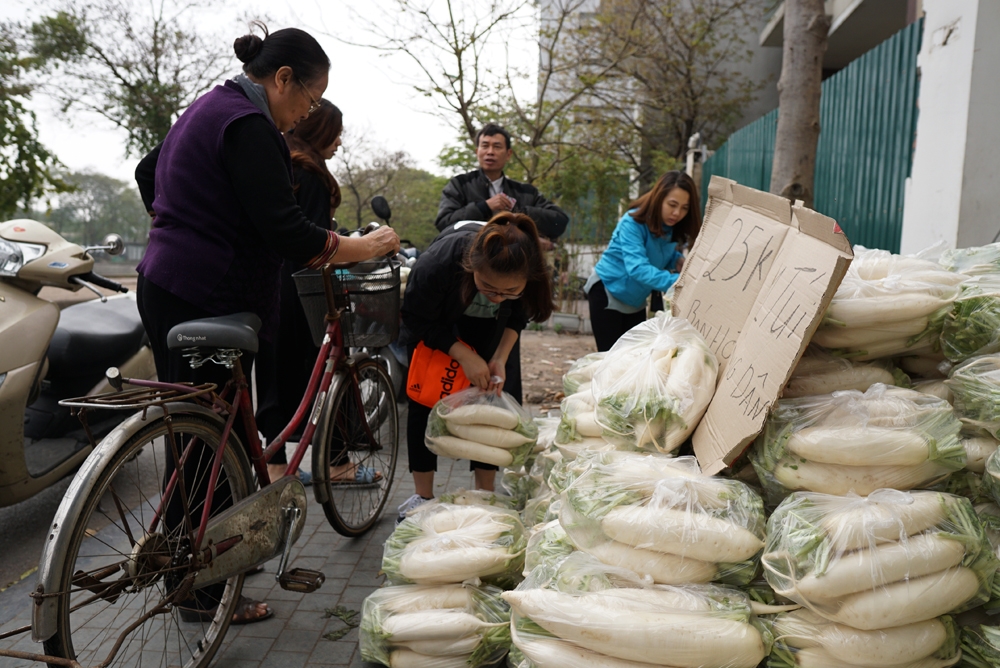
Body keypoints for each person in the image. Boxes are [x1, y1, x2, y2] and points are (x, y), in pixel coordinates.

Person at [133, 24, 399, 624]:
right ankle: (199, 589)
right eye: (308, 98)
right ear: (282, 79)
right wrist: (364, 246)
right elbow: (291, 235)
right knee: (208, 439)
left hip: (170, 282)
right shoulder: (249, 126)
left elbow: (148, 171)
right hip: (206, 292)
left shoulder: (207, 107)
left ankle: (210, 555)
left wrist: (185, 220)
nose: (307, 112)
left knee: (200, 431)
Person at [397, 213, 554, 520]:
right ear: (472, 267)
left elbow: (518, 318)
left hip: (489, 329)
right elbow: (416, 319)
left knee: (490, 402)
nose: (498, 299)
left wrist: (499, 357)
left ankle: (485, 493)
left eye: (510, 292)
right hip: (439, 322)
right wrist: (462, 355)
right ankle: (422, 495)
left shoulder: (526, 266)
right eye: (489, 288)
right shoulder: (439, 263)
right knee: (424, 397)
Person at [253, 99, 375, 485]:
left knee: (276, 376)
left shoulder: (281, 162)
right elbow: (315, 244)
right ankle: (338, 463)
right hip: (306, 293)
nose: (339, 142)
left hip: (269, 289)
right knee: (329, 371)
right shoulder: (310, 173)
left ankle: (274, 466)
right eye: (335, 132)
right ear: (320, 130)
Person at [585, 170, 701, 352]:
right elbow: (638, 268)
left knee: (635, 363)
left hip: (635, 302)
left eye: (685, 208)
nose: (677, 212)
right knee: (611, 364)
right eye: (672, 204)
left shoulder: (670, 227)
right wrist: (680, 284)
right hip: (607, 294)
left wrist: (678, 261)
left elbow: (661, 254)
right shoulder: (632, 223)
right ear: (658, 198)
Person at [435, 124, 569, 244]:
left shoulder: (526, 192)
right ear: (477, 152)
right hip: (466, 261)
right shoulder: (460, 184)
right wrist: (484, 207)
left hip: (513, 265)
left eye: (497, 146)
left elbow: (559, 222)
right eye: (485, 146)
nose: (490, 152)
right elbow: (444, 223)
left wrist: (517, 212)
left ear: (508, 154)